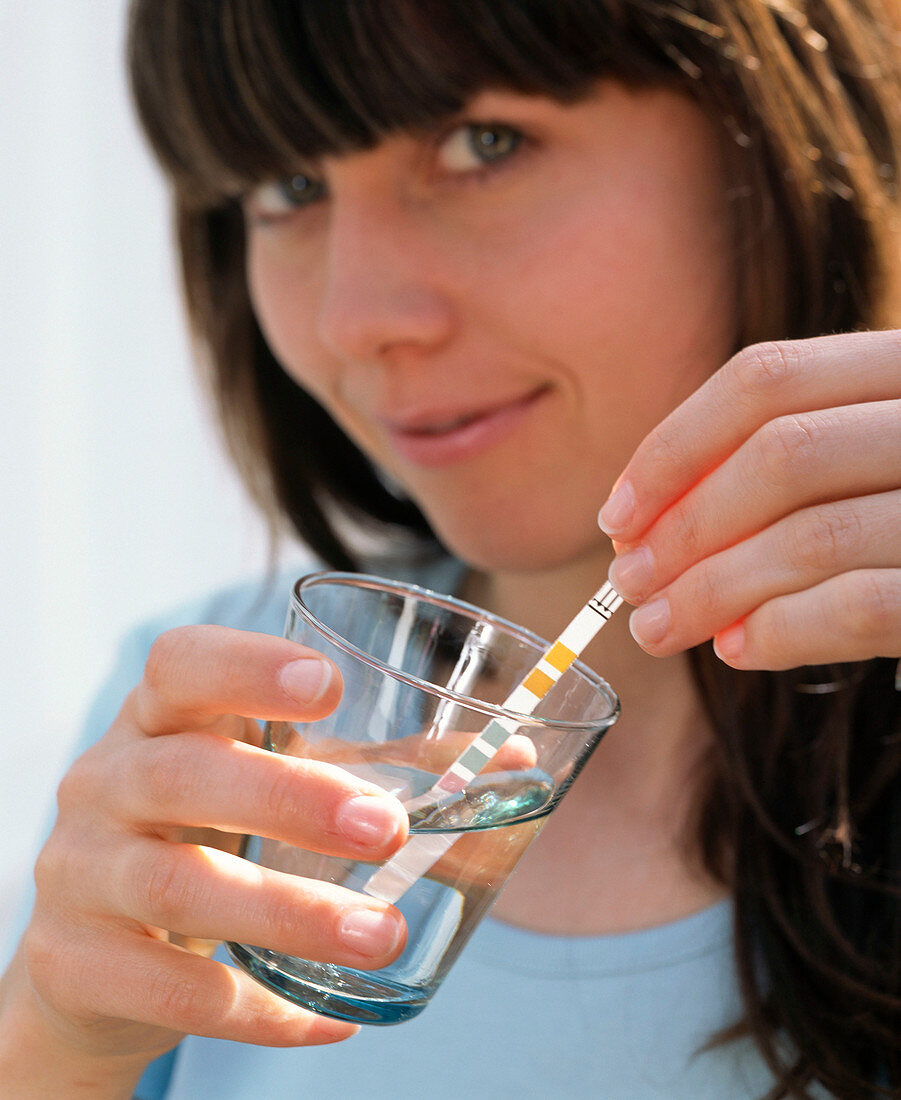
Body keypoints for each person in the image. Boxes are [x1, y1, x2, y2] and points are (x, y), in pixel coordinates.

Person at [1, 0, 899, 1096]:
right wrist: (52, 1046)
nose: (354, 317)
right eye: (288, 186)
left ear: (768, 133)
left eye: (484, 142)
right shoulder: (204, 726)